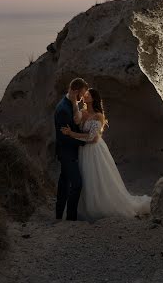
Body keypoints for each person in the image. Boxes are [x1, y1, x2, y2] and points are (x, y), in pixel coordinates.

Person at [61, 88, 151, 221]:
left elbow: (93, 138)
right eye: (85, 94)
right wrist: (74, 102)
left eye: (88, 94)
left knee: (96, 178)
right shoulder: (83, 112)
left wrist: (72, 134)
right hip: (83, 150)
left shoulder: (98, 116)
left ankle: (99, 207)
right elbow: (75, 120)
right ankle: (80, 208)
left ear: (94, 98)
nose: (85, 95)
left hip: (94, 151)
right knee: (84, 178)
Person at [54, 77, 89, 220]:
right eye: (81, 94)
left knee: (64, 183)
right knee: (77, 184)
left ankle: (58, 215)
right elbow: (64, 138)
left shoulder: (72, 104)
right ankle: (71, 218)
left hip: (69, 151)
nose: (83, 97)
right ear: (75, 91)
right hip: (66, 152)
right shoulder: (63, 109)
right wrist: (83, 141)